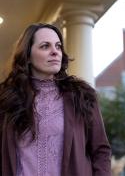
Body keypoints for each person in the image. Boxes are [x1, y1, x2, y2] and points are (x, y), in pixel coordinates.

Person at [0, 23, 111, 176]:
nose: (55, 52)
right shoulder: (7, 98)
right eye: (45, 46)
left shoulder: (82, 95)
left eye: (58, 46)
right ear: (28, 55)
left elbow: (100, 151)